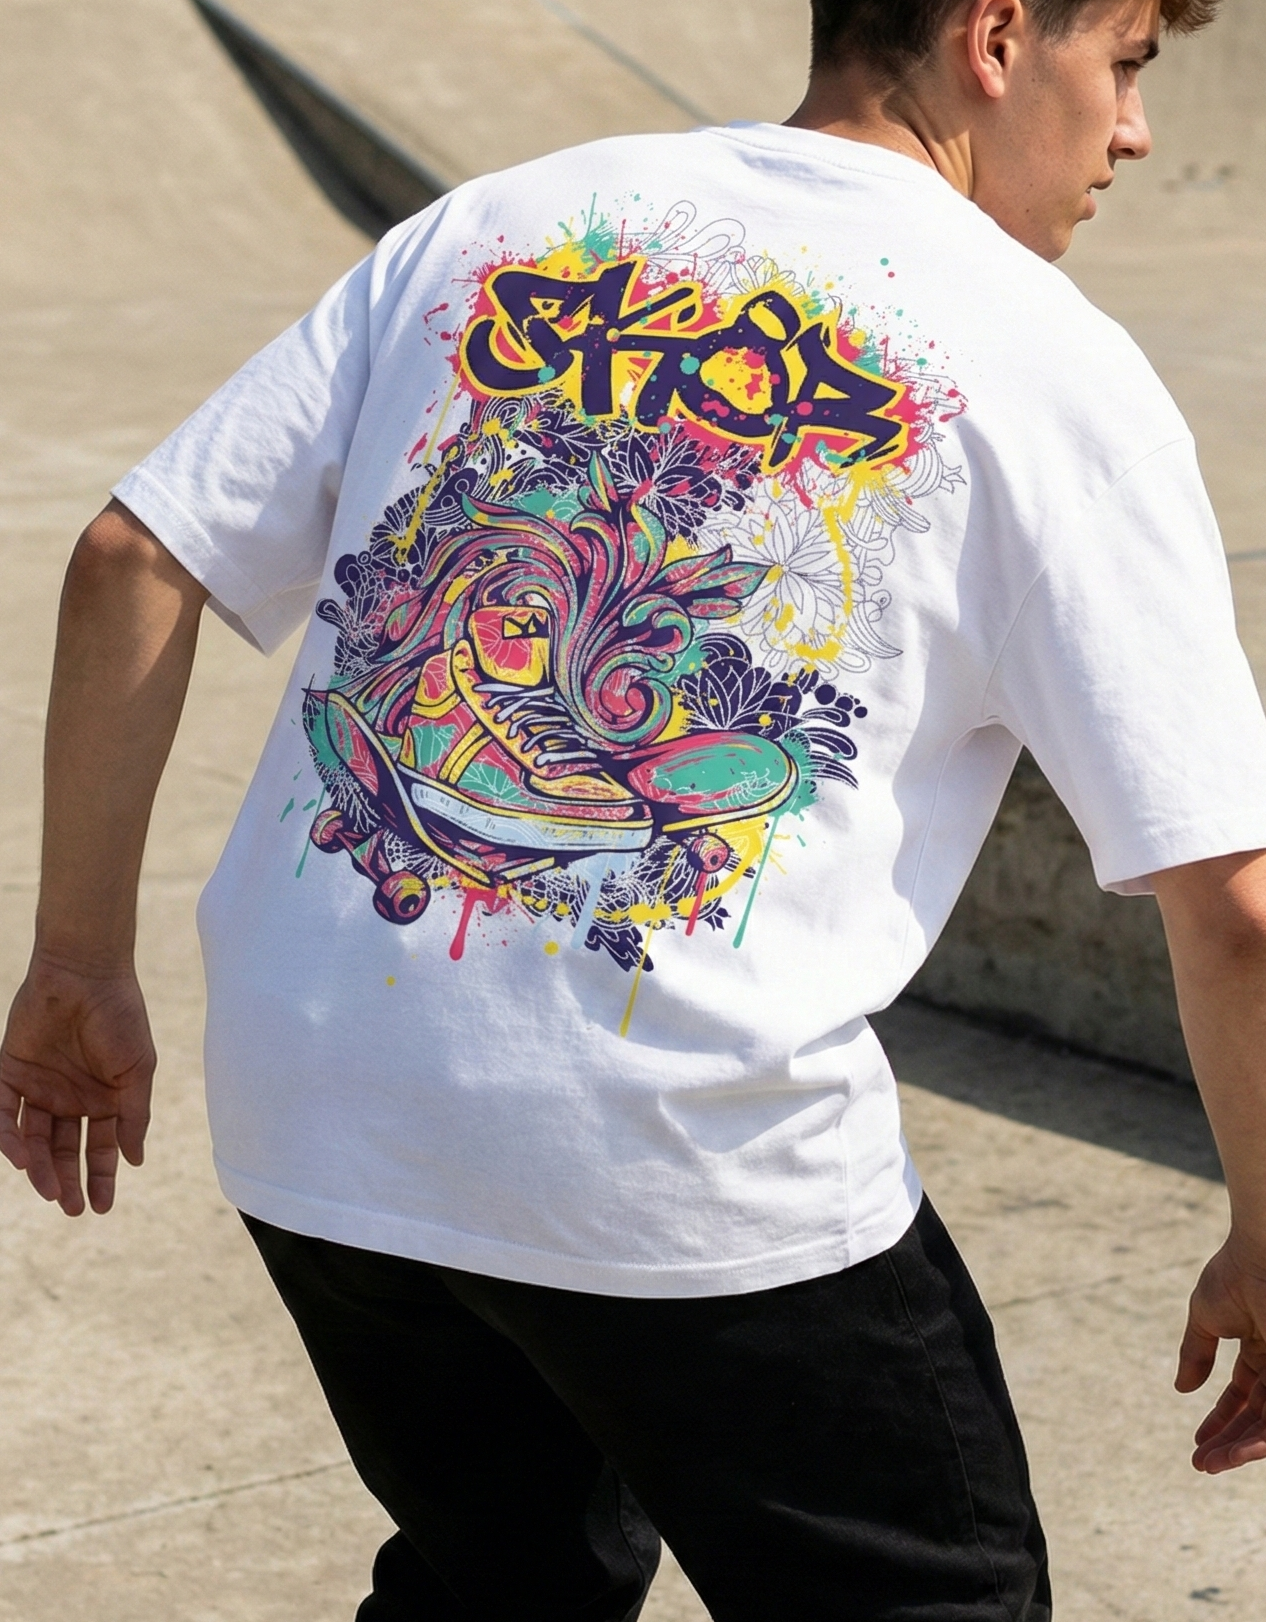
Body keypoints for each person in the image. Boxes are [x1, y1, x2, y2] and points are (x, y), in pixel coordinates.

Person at [3, 0, 1265, 1614]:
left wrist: (76, 965)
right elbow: (1226, 900)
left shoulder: (503, 218)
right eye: (1130, 64)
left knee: (501, 1573)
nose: (1137, 134)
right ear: (998, 36)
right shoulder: (1049, 361)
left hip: (325, 1100)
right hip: (680, 1152)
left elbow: (131, 556)